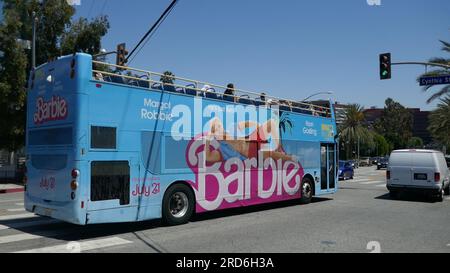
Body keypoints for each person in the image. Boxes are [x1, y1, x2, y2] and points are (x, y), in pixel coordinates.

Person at [204, 118, 296, 163]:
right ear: (213, 134)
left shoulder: (232, 127)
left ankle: (279, 147)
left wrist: (257, 125)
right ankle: (293, 159)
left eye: (220, 126)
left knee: (271, 123)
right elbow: (208, 157)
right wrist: (208, 138)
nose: (220, 129)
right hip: (250, 153)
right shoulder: (221, 150)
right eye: (215, 129)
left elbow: (247, 123)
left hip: (251, 138)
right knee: (270, 153)